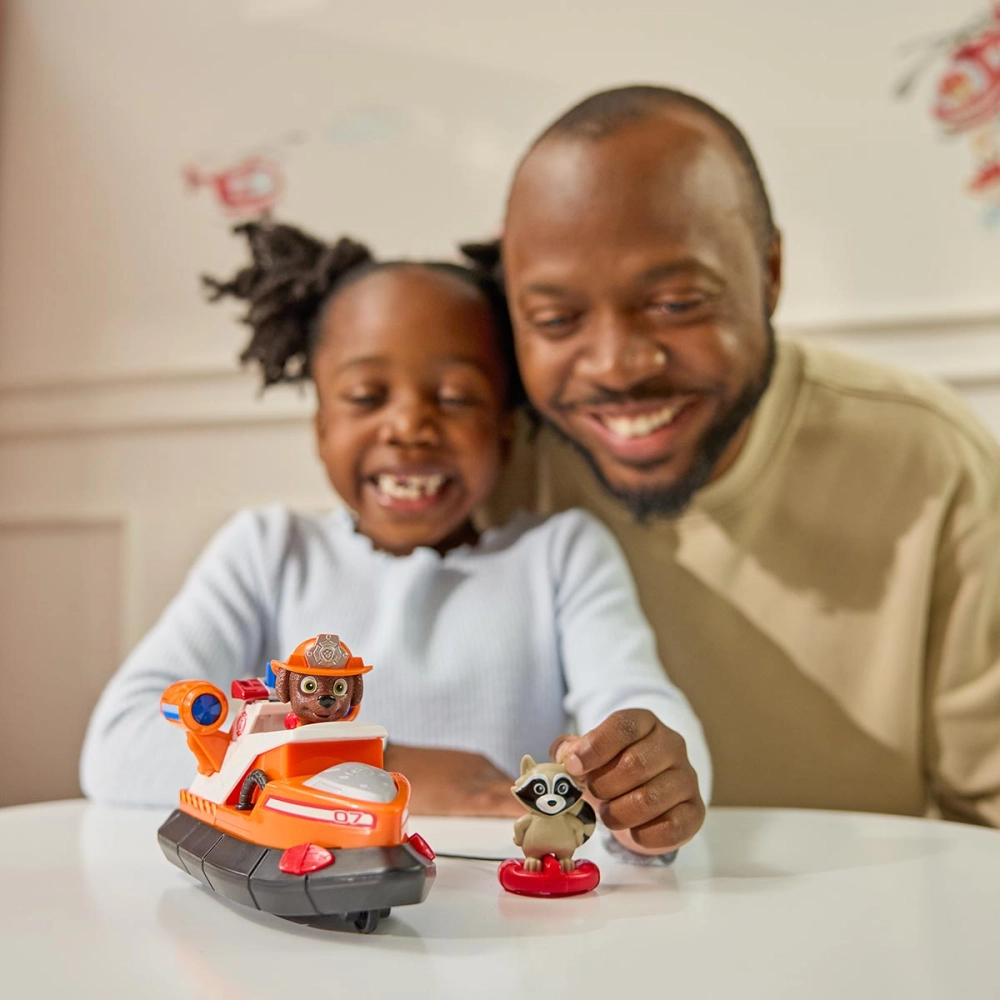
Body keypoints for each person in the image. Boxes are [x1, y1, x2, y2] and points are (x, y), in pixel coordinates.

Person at [80, 219, 710, 856]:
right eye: (365, 396)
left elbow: (639, 706)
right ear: (321, 426)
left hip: (501, 896)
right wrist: (378, 767)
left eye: (456, 397)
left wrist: (646, 796)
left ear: (505, 429)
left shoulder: (560, 555)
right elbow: (119, 744)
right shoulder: (267, 551)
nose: (409, 426)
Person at [486, 84, 1000, 827]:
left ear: (770, 272)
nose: (617, 366)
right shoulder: (486, 469)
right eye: (556, 318)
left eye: (676, 303)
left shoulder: (928, 460)